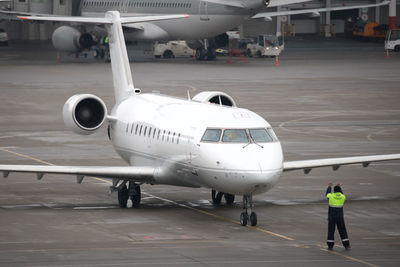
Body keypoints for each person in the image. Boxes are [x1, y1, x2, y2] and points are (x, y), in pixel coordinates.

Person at [326, 182, 351, 250]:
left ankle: (330, 245)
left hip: (332, 217)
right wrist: (339, 187)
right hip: (340, 217)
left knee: (331, 230)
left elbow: (327, 194)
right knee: (342, 230)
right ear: (340, 191)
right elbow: (341, 194)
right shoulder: (343, 197)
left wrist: (329, 187)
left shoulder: (331, 196)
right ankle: (346, 245)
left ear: (334, 191)